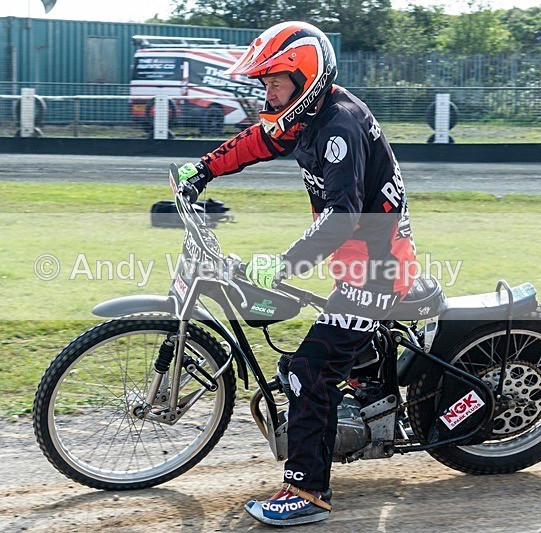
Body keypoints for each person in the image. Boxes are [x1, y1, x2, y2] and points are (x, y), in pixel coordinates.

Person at [177, 21, 417, 527]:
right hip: (354, 259)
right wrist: (203, 169)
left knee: (306, 371)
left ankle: (308, 490)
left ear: (304, 77)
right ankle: (359, 401)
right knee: (333, 351)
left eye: (274, 82)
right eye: (263, 83)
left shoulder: (339, 126)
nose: (267, 92)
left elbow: (344, 215)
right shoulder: (304, 116)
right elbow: (254, 143)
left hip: (377, 268)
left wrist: (286, 262)